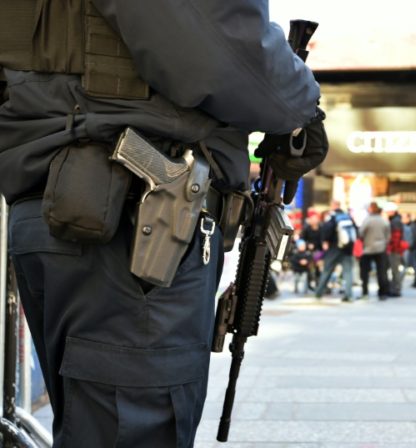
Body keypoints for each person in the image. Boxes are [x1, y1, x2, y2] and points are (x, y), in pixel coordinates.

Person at [0, 3, 327, 447]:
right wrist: (299, 104)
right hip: (131, 225)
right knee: (131, 429)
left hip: (72, 200)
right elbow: (217, 50)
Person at [315, 200, 357, 302]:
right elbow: (356, 230)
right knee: (348, 272)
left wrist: (325, 241)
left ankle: (318, 293)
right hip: (347, 249)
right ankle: (349, 295)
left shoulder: (332, 217)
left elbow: (326, 230)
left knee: (327, 270)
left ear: (333, 206)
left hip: (334, 249)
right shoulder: (347, 216)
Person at [359, 202, 391, 300]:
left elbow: (361, 233)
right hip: (381, 249)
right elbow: (388, 236)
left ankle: (365, 292)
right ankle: (382, 293)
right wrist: (384, 243)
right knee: (381, 272)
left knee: (365, 272)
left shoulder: (367, 220)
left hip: (367, 249)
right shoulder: (384, 221)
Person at [385, 203, 407, 297]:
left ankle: (396, 289)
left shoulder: (395, 221)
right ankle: (395, 288)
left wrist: (393, 248)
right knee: (395, 271)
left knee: (395, 271)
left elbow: (396, 237)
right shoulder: (395, 220)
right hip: (395, 249)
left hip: (395, 250)